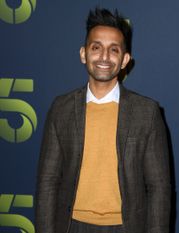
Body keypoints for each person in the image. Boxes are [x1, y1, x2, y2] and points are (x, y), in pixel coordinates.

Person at [35, 8, 171, 233]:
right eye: (96, 47)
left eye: (114, 50)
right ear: (83, 54)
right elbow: (48, 181)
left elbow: (158, 187)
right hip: (70, 226)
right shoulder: (61, 108)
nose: (104, 57)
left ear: (125, 59)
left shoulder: (147, 112)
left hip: (127, 227)